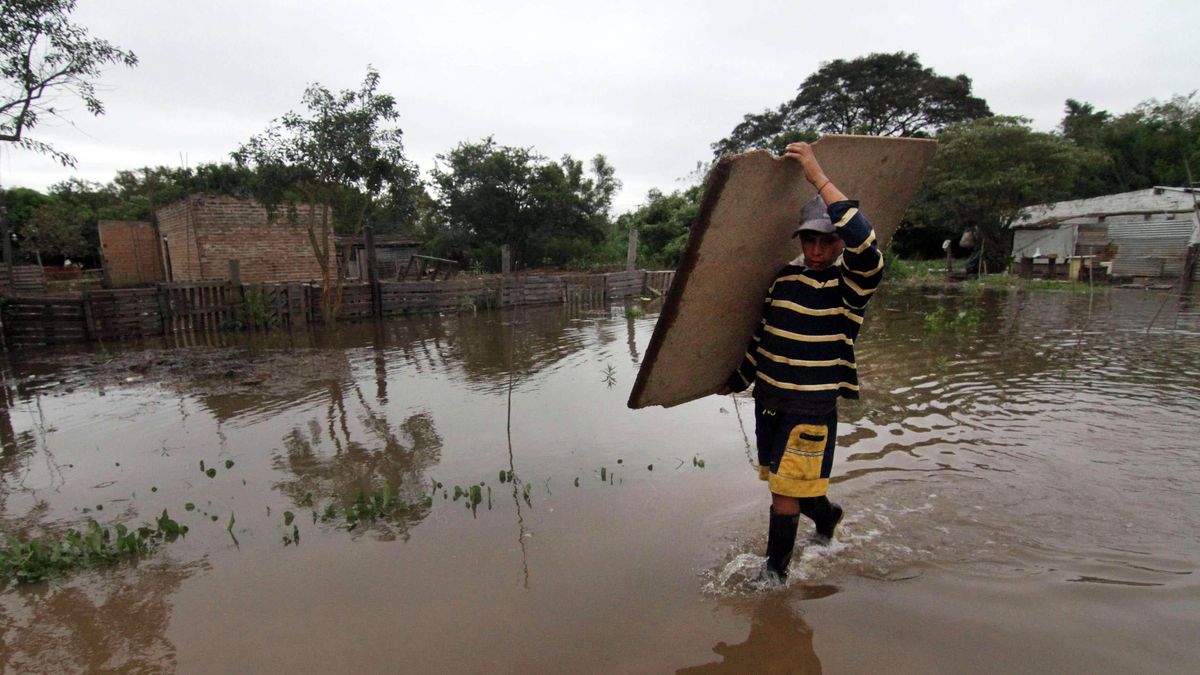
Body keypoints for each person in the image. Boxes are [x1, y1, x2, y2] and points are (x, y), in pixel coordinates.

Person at [722, 141, 884, 585]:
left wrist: (816, 174)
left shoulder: (852, 286)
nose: (816, 249)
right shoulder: (783, 278)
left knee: (782, 493)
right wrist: (737, 378)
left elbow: (866, 246)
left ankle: (774, 575)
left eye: (826, 241)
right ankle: (827, 515)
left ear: (838, 244)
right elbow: (762, 337)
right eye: (809, 240)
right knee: (788, 482)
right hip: (770, 400)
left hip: (810, 407)